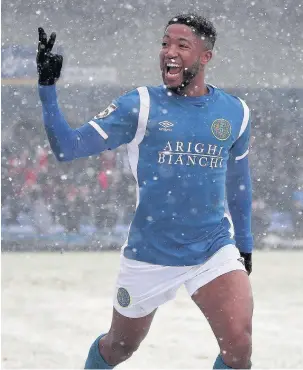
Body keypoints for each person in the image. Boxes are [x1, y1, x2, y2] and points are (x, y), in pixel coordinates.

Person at [37, 13, 254, 369]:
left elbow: (239, 182)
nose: (169, 51)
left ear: (205, 57)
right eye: (165, 43)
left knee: (239, 345)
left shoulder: (236, 113)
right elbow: (68, 147)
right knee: (119, 348)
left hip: (212, 249)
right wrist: (47, 89)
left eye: (182, 45)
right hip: (150, 253)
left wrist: (243, 243)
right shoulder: (140, 105)